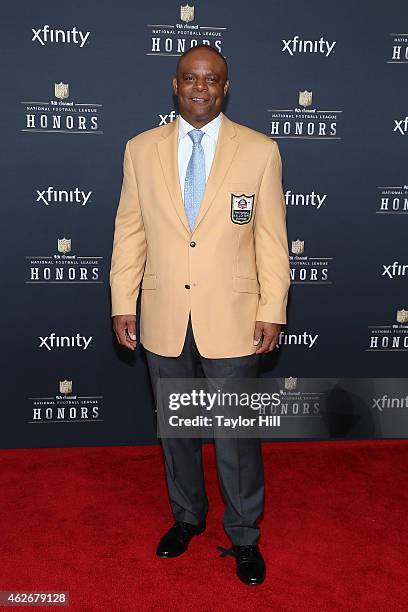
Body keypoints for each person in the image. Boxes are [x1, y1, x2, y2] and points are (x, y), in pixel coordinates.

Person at [109, 44, 290, 585]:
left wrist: (273, 309)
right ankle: (186, 518)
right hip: (163, 313)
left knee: (235, 436)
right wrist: (123, 301)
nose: (200, 88)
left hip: (233, 316)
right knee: (178, 431)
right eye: (191, 78)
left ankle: (244, 536)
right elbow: (130, 232)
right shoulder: (140, 150)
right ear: (175, 83)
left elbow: (272, 243)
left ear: (226, 87)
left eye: (212, 80)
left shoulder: (260, 151)